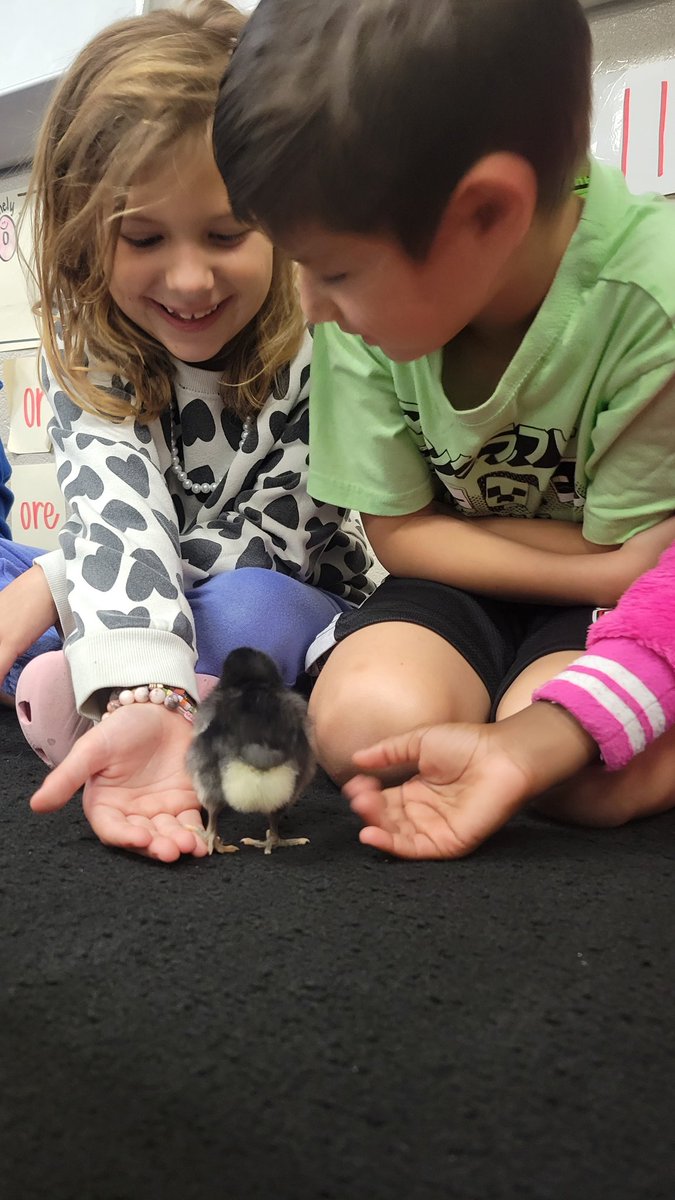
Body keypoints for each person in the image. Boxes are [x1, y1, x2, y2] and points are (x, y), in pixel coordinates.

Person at [211, 0, 675, 845]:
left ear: (487, 212)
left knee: (581, 775)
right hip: (500, 585)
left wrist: (603, 574)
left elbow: (643, 585)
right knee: (364, 733)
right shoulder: (358, 316)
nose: (311, 307)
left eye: (337, 270)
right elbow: (402, 535)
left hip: (623, 616)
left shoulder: (653, 303)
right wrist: (593, 570)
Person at [6, 0, 372, 862]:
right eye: (141, 237)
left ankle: (112, 691)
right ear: (88, 243)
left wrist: (58, 588)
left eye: (225, 233)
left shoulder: (322, 345)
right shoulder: (97, 359)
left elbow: (270, 541)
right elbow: (115, 515)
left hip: (284, 596)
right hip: (142, 587)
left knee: (248, 605)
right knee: (27, 570)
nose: (188, 277)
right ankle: (107, 689)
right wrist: (63, 580)